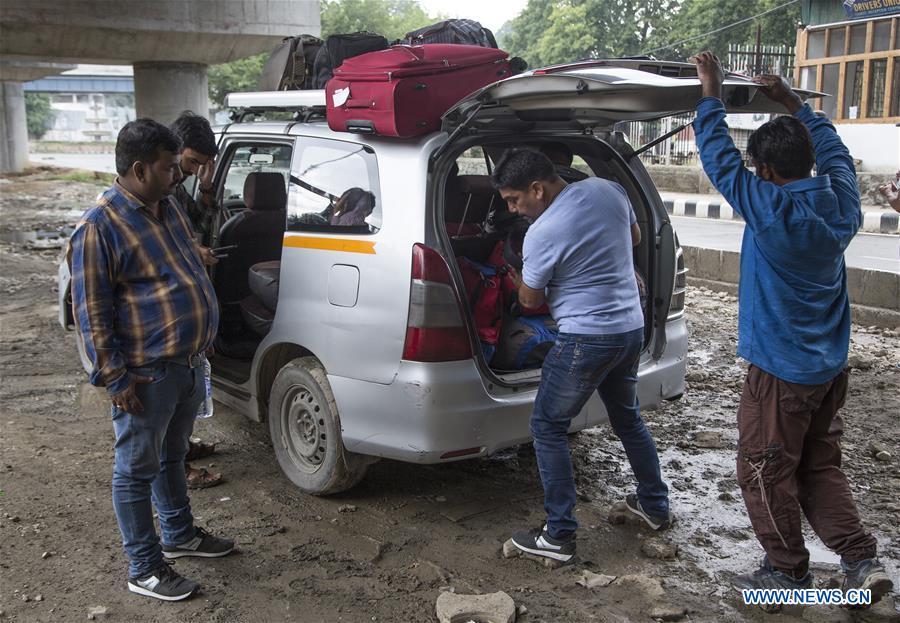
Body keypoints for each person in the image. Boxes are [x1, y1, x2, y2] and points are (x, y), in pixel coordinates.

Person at [691, 51, 892, 604]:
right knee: (818, 466)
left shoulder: (771, 210)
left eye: (757, 169)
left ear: (768, 171)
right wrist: (790, 101)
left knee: (763, 468)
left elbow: (717, 160)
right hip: (828, 368)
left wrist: (710, 89)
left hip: (780, 374)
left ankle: (787, 572)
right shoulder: (841, 204)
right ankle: (859, 561)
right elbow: (834, 151)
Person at [70, 118, 234, 602]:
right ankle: (143, 568)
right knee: (136, 469)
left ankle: (180, 535)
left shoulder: (167, 209)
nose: (176, 174)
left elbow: (182, 263)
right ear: (140, 169)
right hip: (145, 372)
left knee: (172, 456)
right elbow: (91, 313)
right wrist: (114, 377)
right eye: (168, 167)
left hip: (184, 363)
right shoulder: (99, 227)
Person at [494, 148, 670, 564]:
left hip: (585, 339)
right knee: (627, 417)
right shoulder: (608, 189)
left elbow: (530, 298)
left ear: (537, 189)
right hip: (630, 329)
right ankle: (654, 506)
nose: (514, 210)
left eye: (514, 200)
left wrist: (520, 277)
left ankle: (558, 536)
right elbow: (635, 239)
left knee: (547, 426)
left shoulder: (542, 233)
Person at [169, 111, 224, 490]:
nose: (192, 171)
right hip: (167, 310)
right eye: (192, 163)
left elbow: (196, 227)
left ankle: (183, 448)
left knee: (187, 386)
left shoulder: (179, 187)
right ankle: (178, 465)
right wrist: (191, 250)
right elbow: (161, 243)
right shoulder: (153, 189)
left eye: (202, 166)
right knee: (170, 393)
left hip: (188, 304)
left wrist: (205, 190)